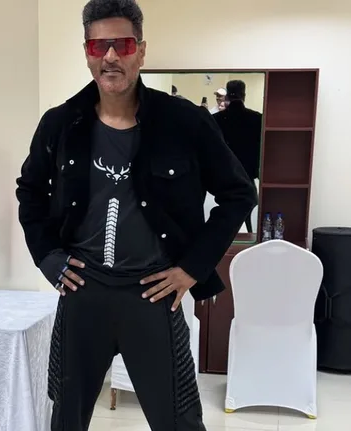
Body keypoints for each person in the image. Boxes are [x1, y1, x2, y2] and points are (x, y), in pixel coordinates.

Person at [16, 1, 257, 430]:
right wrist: (47, 258)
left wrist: (192, 268)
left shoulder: (185, 123)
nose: (111, 56)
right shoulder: (61, 123)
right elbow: (30, 191)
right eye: (99, 46)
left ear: (141, 51)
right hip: (83, 293)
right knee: (66, 418)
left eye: (123, 45)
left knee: (180, 420)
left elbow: (238, 194)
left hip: (152, 294)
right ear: (87, 52)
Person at [213, 80, 263, 233]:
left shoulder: (216, 119)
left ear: (227, 96)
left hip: (224, 172)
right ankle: (249, 232)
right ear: (244, 95)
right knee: (250, 201)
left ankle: (228, 234)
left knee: (227, 207)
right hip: (248, 171)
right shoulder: (257, 118)